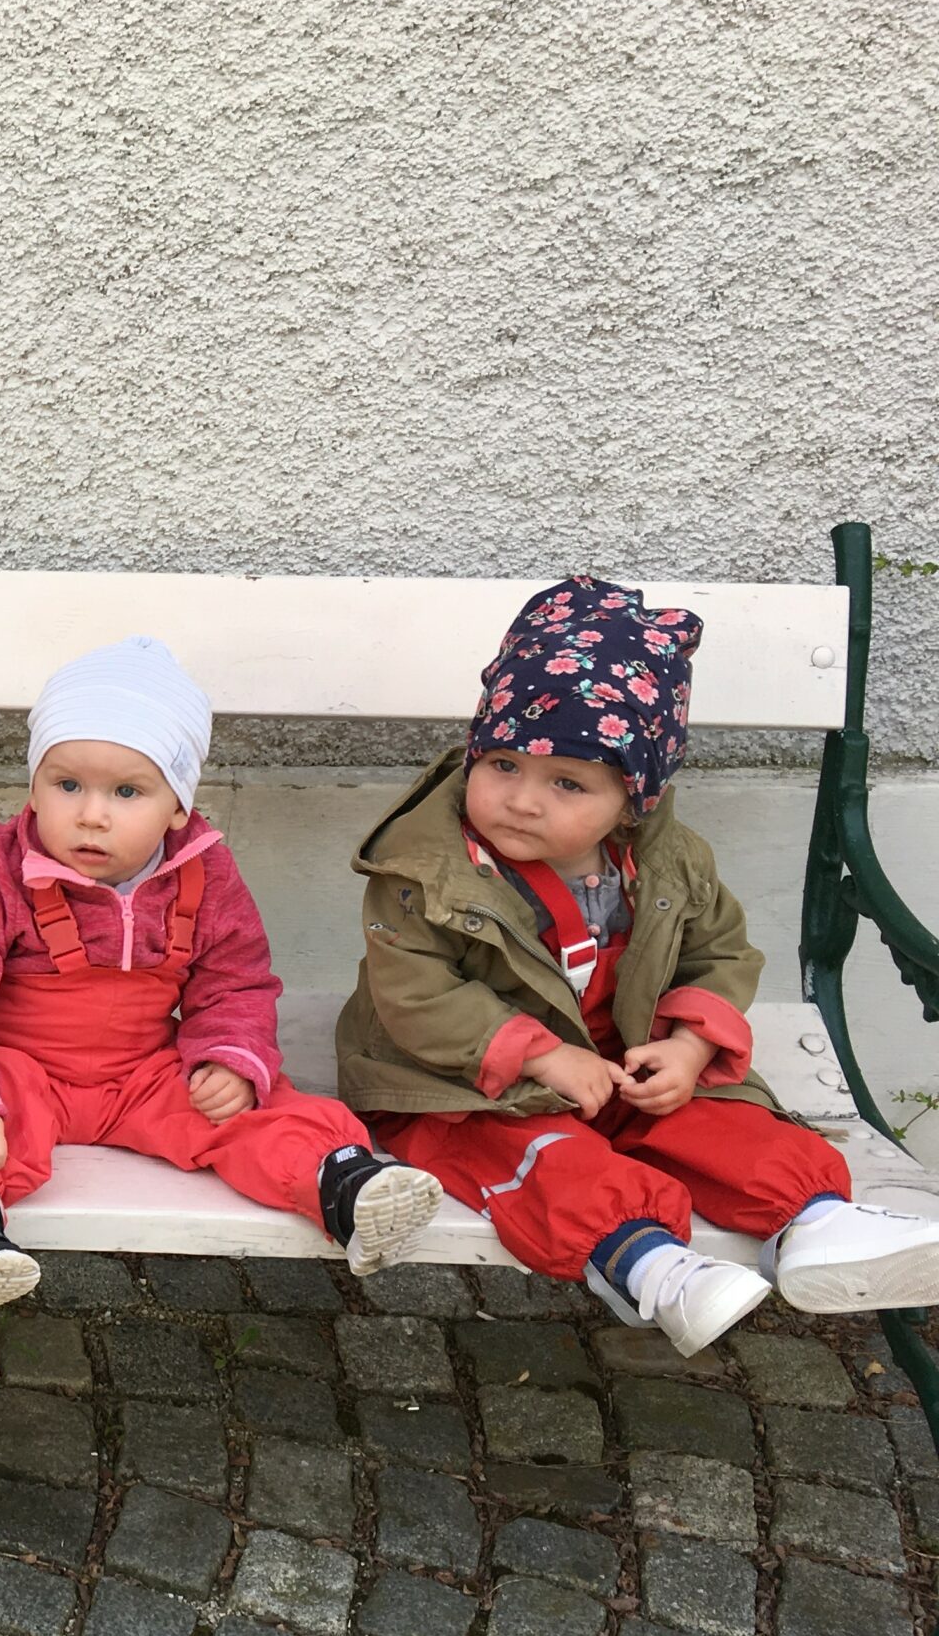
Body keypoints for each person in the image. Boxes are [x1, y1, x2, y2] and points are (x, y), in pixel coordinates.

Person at [338, 575, 939, 1354]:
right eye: (503, 764)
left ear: (634, 798)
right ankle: (650, 1267)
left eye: (567, 783)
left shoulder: (667, 863)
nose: (522, 800)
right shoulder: (424, 870)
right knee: (542, 1155)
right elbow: (415, 995)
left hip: (623, 1056)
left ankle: (816, 1221)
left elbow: (721, 951)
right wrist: (543, 1056)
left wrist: (688, 1046)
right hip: (458, 1081)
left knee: (713, 1119)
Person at [0, 637, 444, 1317]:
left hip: (143, 1073)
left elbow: (235, 978)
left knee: (246, 1105)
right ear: (34, 786)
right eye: (68, 784)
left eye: (127, 791)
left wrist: (229, 1056)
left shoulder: (205, 874)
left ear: (178, 806)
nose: (91, 813)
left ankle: (340, 1183)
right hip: (16, 1068)